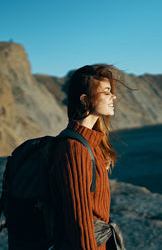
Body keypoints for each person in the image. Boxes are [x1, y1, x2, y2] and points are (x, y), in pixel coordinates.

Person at [49, 64, 123, 249]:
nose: (113, 97)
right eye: (106, 92)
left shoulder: (94, 142)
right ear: (85, 99)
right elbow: (80, 223)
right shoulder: (74, 148)